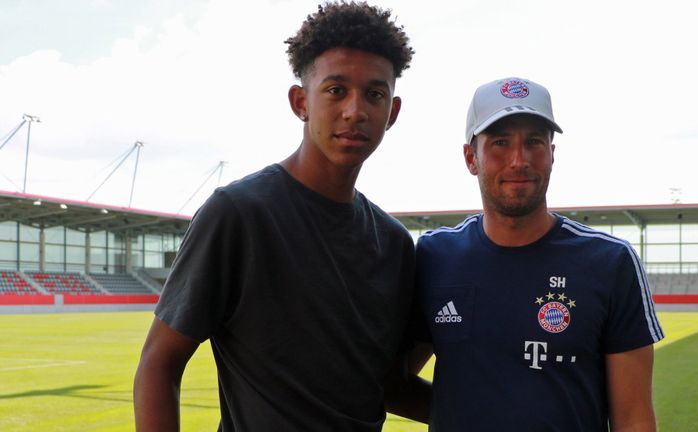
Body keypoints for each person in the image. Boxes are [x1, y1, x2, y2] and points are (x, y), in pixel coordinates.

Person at [133, 2, 419, 430]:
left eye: (374, 94)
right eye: (336, 90)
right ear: (300, 102)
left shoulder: (394, 243)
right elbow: (159, 362)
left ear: (392, 112)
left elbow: (388, 385)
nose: (355, 111)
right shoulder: (240, 215)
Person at [411, 77, 665, 431]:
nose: (519, 160)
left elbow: (634, 420)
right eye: (500, 142)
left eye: (533, 142)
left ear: (552, 154)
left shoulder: (610, 262)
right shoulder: (435, 256)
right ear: (471, 157)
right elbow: (392, 379)